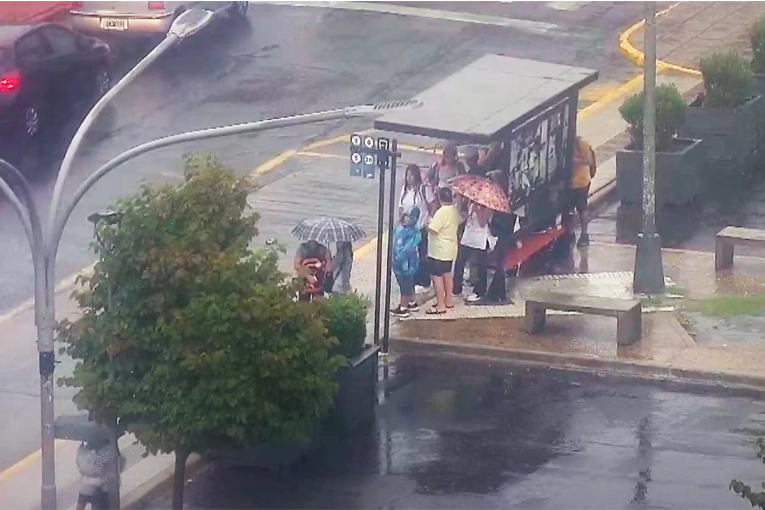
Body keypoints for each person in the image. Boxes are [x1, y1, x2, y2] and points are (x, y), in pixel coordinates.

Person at [399, 164, 436, 291]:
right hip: (408, 229)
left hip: (421, 227)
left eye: (412, 174)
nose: (409, 178)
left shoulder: (423, 189)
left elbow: (433, 204)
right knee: (410, 255)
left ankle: (424, 281)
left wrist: (430, 220)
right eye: (407, 175)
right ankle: (413, 279)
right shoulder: (404, 189)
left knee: (422, 255)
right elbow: (401, 207)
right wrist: (402, 221)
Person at [426, 187, 460, 314]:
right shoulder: (454, 210)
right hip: (450, 249)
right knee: (447, 274)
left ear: (440, 198)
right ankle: (448, 300)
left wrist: (427, 226)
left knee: (437, 277)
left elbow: (434, 229)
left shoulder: (442, 212)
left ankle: (440, 305)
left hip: (439, 250)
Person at [453, 201, 494, 302]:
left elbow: (482, 223)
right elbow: (466, 219)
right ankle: (456, 288)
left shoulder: (488, 208)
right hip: (468, 237)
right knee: (460, 262)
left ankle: (480, 291)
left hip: (480, 239)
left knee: (481, 266)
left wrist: (478, 211)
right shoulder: (471, 204)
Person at [390, 208, 422, 316]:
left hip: (406, 264)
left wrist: (398, 259)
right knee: (406, 284)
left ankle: (403, 308)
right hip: (397, 263)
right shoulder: (401, 228)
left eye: (410, 217)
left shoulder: (414, 233)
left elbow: (408, 249)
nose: (407, 218)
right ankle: (412, 303)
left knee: (405, 285)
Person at [569, 135, 596, 247]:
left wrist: (574, 160)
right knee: (568, 209)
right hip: (569, 183)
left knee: (582, 208)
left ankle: (584, 234)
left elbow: (589, 161)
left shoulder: (581, 143)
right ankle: (569, 233)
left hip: (581, 182)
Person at [76, 441, 106, 510]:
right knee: (95, 505)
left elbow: (79, 466)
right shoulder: (96, 453)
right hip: (95, 485)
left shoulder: (83, 452)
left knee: (81, 504)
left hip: (85, 485)